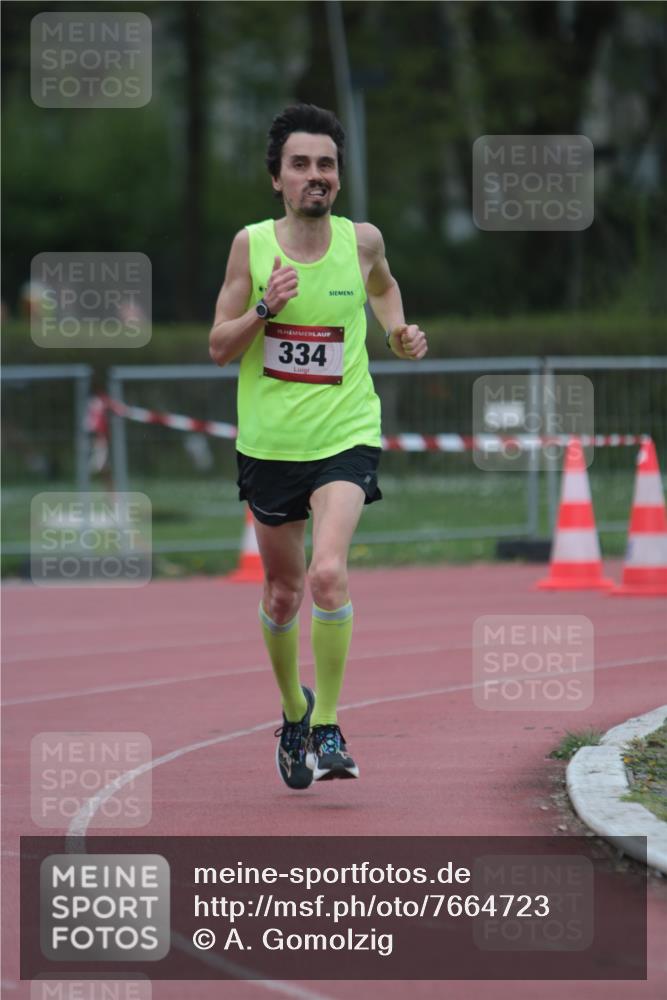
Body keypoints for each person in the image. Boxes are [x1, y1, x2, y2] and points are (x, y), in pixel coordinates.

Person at [209, 104, 427, 790]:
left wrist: (396, 332)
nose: (315, 176)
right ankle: (294, 712)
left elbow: (384, 289)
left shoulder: (360, 241)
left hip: (346, 432)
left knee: (327, 574)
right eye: (300, 165)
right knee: (282, 593)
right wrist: (264, 309)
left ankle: (329, 725)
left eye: (325, 164)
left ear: (338, 175)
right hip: (271, 445)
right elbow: (219, 347)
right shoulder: (251, 246)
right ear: (276, 177)